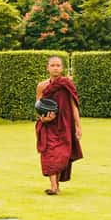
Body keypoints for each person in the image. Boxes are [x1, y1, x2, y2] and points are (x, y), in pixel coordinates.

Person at [35, 56, 83, 195]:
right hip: (48, 126)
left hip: (65, 124)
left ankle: (56, 184)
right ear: (48, 67)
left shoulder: (67, 84)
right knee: (50, 153)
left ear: (62, 68)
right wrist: (43, 119)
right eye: (52, 65)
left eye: (58, 65)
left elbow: (74, 106)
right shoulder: (42, 86)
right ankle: (53, 186)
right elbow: (38, 106)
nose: (55, 68)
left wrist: (78, 126)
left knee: (62, 154)